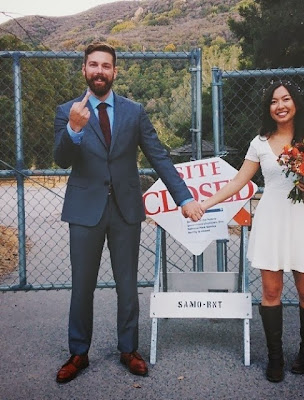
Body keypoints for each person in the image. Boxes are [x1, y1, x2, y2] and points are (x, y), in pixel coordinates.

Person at [54, 42, 203, 383]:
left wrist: (184, 198)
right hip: (84, 210)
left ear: (115, 72)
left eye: (106, 66)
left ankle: (128, 349)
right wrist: (73, 129)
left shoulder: (133, 111)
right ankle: (78, 352)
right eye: (93, 65)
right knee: (82, 286)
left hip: (125, 210)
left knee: (126, 284)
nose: (99, 71)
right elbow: (61, 159)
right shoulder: (67, 111)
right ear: (84, 70)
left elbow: (159, 156)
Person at [200, 80, 304, 382]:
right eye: (274, 101)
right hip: (272, 218)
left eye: (285, 99)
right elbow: (238, 182)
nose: (280, 105)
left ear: (295, 103)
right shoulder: (260, 142)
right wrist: (205, 203)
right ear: (268, 108)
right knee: (271, 291)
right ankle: (275, 357)